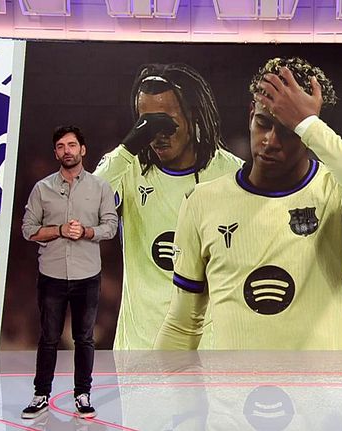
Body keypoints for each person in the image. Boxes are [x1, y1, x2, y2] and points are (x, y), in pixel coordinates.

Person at [154, 57, 342, 350]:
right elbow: (182, 325)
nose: (270, 141)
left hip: (321, 381)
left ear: (308, 134)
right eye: (263, 124)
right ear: (251, 114)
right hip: (234, 381)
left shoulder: (336, 193)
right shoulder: (202, 202)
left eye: (287, 131)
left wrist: (309, 125)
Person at [94, 63, 242, 350]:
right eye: (146, 123)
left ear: (193, 115)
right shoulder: (126, 169)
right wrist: (128, 147)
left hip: (209, 353)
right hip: (140, 353)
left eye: (166, 121)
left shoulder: (232, 174)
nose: (157, 133)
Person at [20, 126, 118, 419]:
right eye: (61, 146)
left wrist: (86, 231)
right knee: (49, 337)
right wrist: (59, 230)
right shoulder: (42, 189)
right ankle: (41, 394)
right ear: (56, 153)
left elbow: (111, 226)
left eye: (72, 145)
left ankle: (82, 395)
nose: (67, 151)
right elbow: (28, 230)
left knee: (84, 339)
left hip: (87, 274)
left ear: (82, 150)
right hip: (51, 275)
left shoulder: (100, 187)